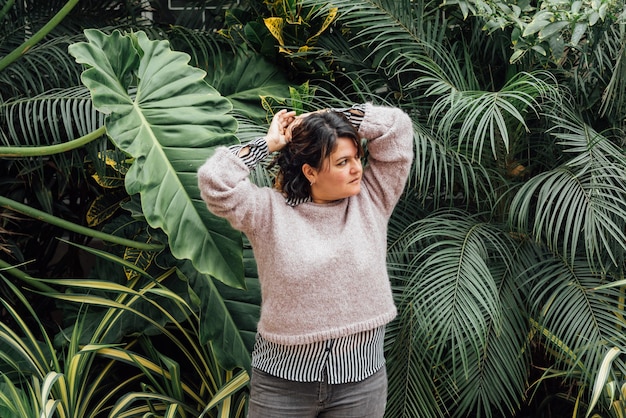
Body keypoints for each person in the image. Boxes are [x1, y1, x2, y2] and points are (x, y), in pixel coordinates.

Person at [197, 102, 414, 418]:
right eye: (342, 162)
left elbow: (395, 126)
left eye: (357, 158)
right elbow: (215, 181)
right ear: (310, 171)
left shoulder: (372, 199)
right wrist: (268, 144)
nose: (357, 168)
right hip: (282, 386)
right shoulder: (268, 213)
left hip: (361, 384)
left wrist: (325, 116)